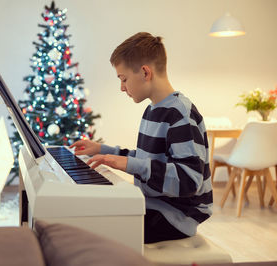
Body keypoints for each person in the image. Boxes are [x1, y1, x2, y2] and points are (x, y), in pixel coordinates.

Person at [70, 32, 212, 244]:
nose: (122, 87)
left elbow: (189, 180)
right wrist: (102, 150)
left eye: (123, 79)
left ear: (145, 72)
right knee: (89, 216)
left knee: (96, 234)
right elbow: (149, 159)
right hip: (155, 205)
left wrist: (129, 164)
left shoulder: (180, 113)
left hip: (176, 215)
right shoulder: (152, 110)